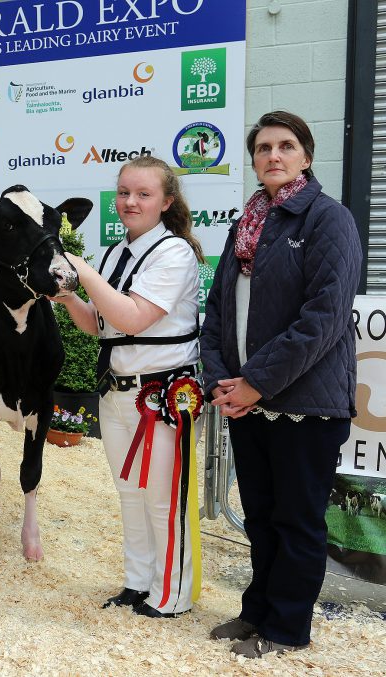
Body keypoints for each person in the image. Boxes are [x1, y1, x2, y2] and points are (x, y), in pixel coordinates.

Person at [201, 111, 362, 659]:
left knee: (296, 521)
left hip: (304, 406)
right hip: (247, 402)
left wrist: (256, 383)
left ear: (306, 156)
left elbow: (324, 318)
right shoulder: (246, 222)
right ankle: (256, 613)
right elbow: (220, 310)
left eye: (286, 146)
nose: (273, 155)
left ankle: (288, 629)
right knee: (263, 518)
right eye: (264, 147)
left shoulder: (327, 219)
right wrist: (222, 381)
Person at [52, 155, 203, 618]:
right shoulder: (117, 253)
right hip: (117, 390)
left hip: (162, 396)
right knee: (130, 493)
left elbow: (135, 317)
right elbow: (101, 325)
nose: (130, 202)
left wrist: (81, 267)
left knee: (162, 498)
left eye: (143, 194)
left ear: (166, 201)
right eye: (124, 193)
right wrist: (68, 295)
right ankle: (138, 583)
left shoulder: (174, 252)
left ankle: (174, 593)